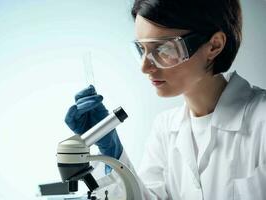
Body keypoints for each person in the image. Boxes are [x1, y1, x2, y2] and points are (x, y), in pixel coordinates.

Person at [65, 0, 266, 199]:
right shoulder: (165, 128)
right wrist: (111, 153)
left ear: (214, 45)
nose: (144, 67)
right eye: (142, 49)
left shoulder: (261, 122)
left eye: (163, 48)